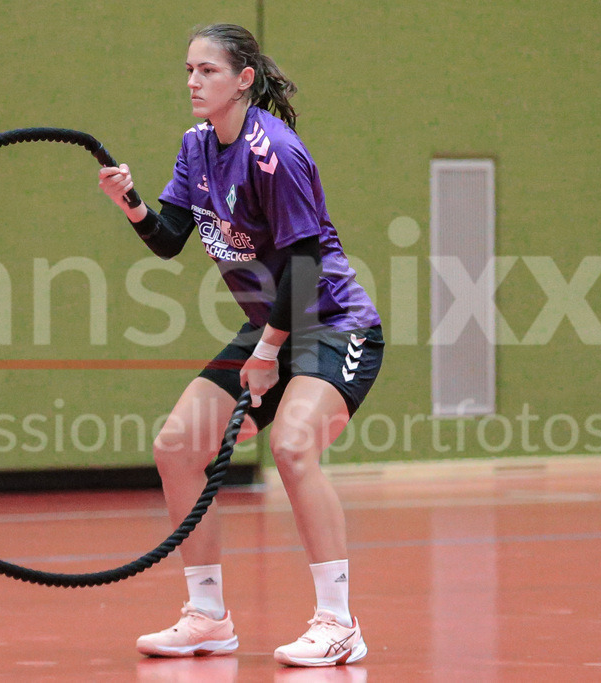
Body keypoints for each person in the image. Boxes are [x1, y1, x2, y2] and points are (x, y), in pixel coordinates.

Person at [98, 23, 382, 668]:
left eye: (208, 70)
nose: (194, 82)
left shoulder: (274, 152)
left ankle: (338, 623)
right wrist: (132, 203)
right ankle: (207, 618)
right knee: (175, 448)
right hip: (271, 327)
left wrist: (268, 349)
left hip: (333, 324)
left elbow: (305, 267)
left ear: (244, 79)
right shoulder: (196, 147)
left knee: (292, 445)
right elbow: (171, 236)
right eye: (189, 71)